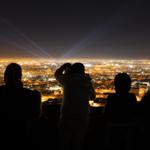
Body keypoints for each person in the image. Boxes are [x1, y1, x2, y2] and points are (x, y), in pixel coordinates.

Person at [55, 62, 95, 150]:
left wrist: (65, 66)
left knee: (64, 142)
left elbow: (57, 74)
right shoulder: (87, 81)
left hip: (67, 115)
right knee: (78, 143)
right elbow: (93, 97)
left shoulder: (68, 79)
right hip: (83, 116)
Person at [0, 63, 41, 149]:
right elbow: (36, 115)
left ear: (5, 76)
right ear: (20, 76)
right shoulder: (31, 95)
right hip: (23, 134)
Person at [104, 73, 137, 150]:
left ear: (116, 85)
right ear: (129, 85)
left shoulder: (111, 97)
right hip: (128, 130)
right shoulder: (132, 97)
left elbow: (106, 114)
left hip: (113, 129)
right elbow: (135, 113)